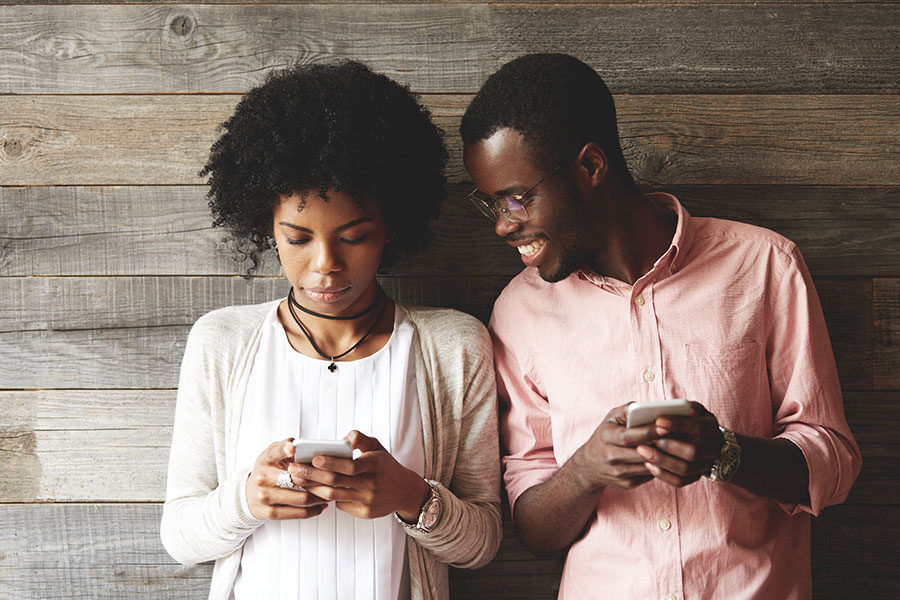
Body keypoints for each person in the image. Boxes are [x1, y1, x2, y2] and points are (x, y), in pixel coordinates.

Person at [460, 53, 861, 599]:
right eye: (493, 205)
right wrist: (585, 472)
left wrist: (723, 451)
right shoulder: (518, 312)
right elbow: (533, 529)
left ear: (592, 166)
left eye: (517, 197)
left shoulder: (764, 266)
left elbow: (832, 463)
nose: (505, 225)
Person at [160, 61, 501, 600]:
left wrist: (412, 497)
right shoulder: (222, 342)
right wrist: (248, 499)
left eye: (354, 236)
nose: (326, 265)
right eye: (297, 238)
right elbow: (179, 534)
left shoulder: (455, 346)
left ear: (391, 227)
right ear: (264, 226)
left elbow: (482, 543)